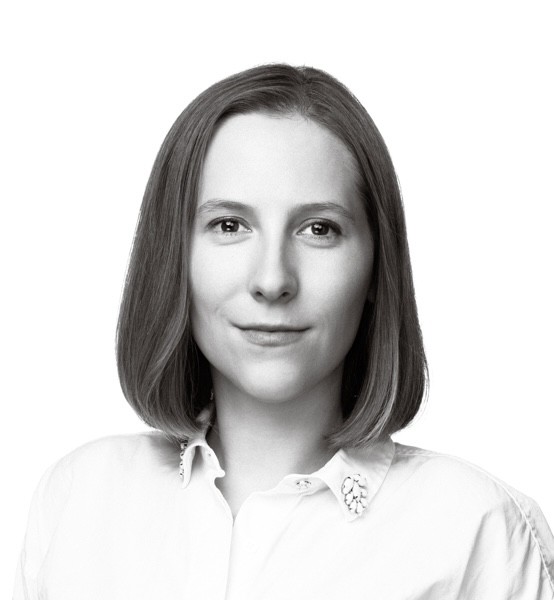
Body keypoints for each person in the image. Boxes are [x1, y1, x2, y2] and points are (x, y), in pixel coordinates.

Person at [14, 64, 554, 599]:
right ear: (174, 254)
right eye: (230, 225)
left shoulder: (481, 534)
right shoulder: (78, 498)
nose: (272, 280)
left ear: (376, 267)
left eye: (319, 229)